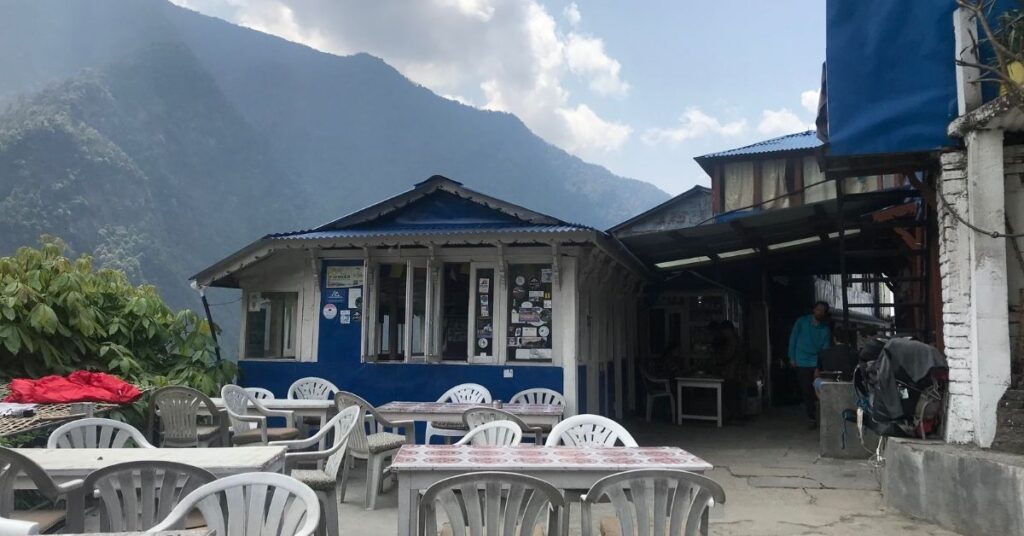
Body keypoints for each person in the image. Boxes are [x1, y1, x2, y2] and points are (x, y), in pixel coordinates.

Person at [788, 301, 832, 427]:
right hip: (801, 359)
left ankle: (821, 414)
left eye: (822, 311)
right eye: (817, 309)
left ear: (825, 313)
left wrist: (819, 366)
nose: (819, 312)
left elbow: (825, 350)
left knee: (819, 388)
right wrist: (792, 357)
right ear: (814, 310)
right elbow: (793, 339)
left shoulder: (825, 329)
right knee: (806, 389)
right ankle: (811, 417)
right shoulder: (802, 322)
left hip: (815, 360)